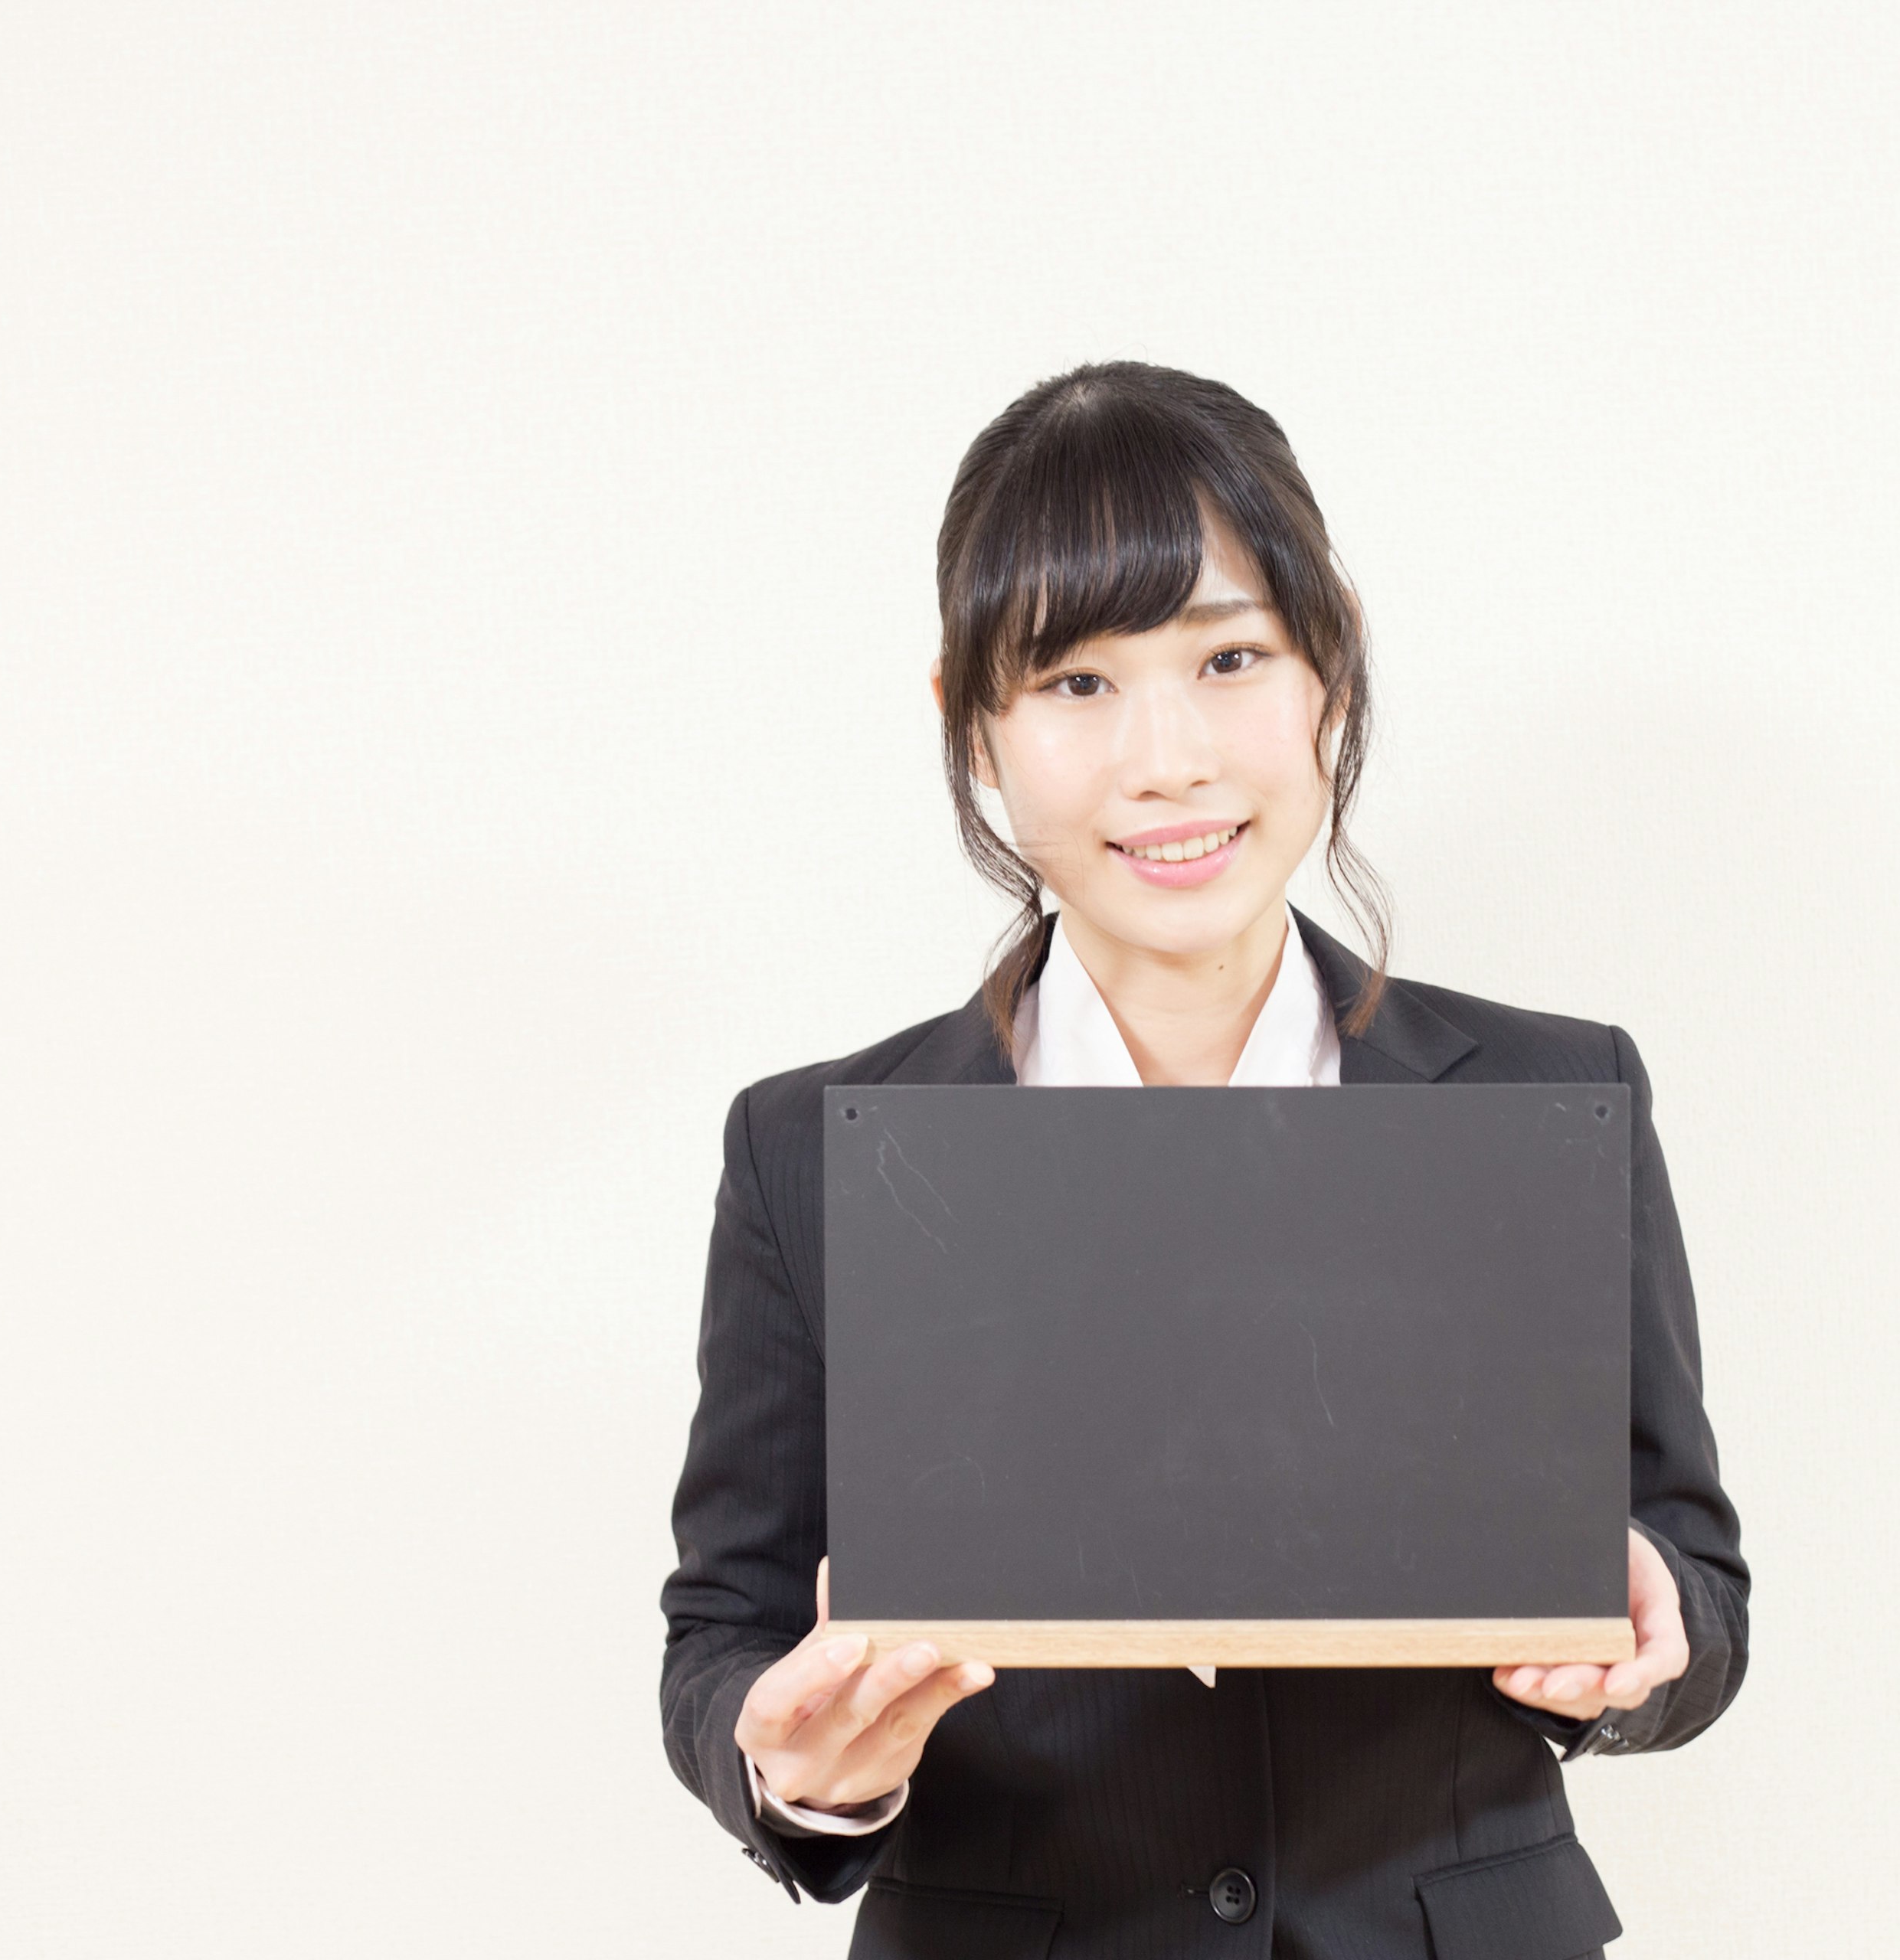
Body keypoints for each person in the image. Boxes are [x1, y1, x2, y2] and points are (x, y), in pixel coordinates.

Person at [660, 361, 1749, 1960]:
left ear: (1330, 675)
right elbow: (727, 1632)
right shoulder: (814, 1150)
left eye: (1230, 656)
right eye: (1078, 684)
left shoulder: (1542, 1093)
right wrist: (807, 1769)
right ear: (979, 725)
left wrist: (1650, 1614)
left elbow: (1693, 1570)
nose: (1165, 758)